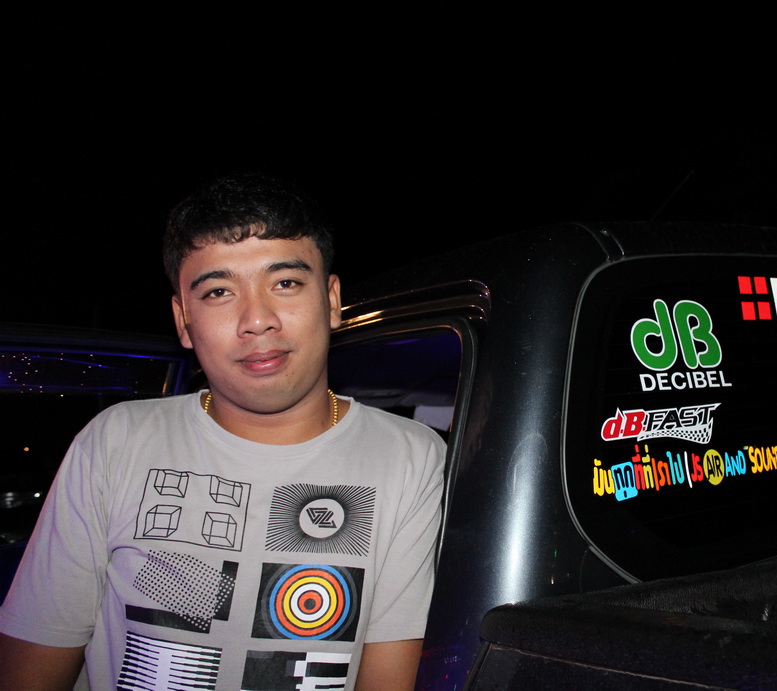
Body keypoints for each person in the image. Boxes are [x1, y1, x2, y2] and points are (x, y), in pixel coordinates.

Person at [0, 175, 446, 690]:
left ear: (331, 300)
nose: (257, 320)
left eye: (285, 283)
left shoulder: (411, 458)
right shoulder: (116, 442)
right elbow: (33, 666)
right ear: (183, 320)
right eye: (218, 292)